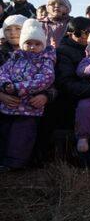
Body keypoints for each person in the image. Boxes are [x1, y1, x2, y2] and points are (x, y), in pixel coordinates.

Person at [0, 19, 55, 171]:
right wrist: (4, 87)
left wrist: (18, 88)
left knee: (21, 136)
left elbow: (46, 79)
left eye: (37, 44)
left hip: (28, 107)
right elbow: (2, 72)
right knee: (5, 133)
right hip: (7, 107)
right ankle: (4, 161)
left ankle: (15, 163)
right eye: (28, 43)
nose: (32, 47)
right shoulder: (14, 57)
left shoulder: (44, 60)